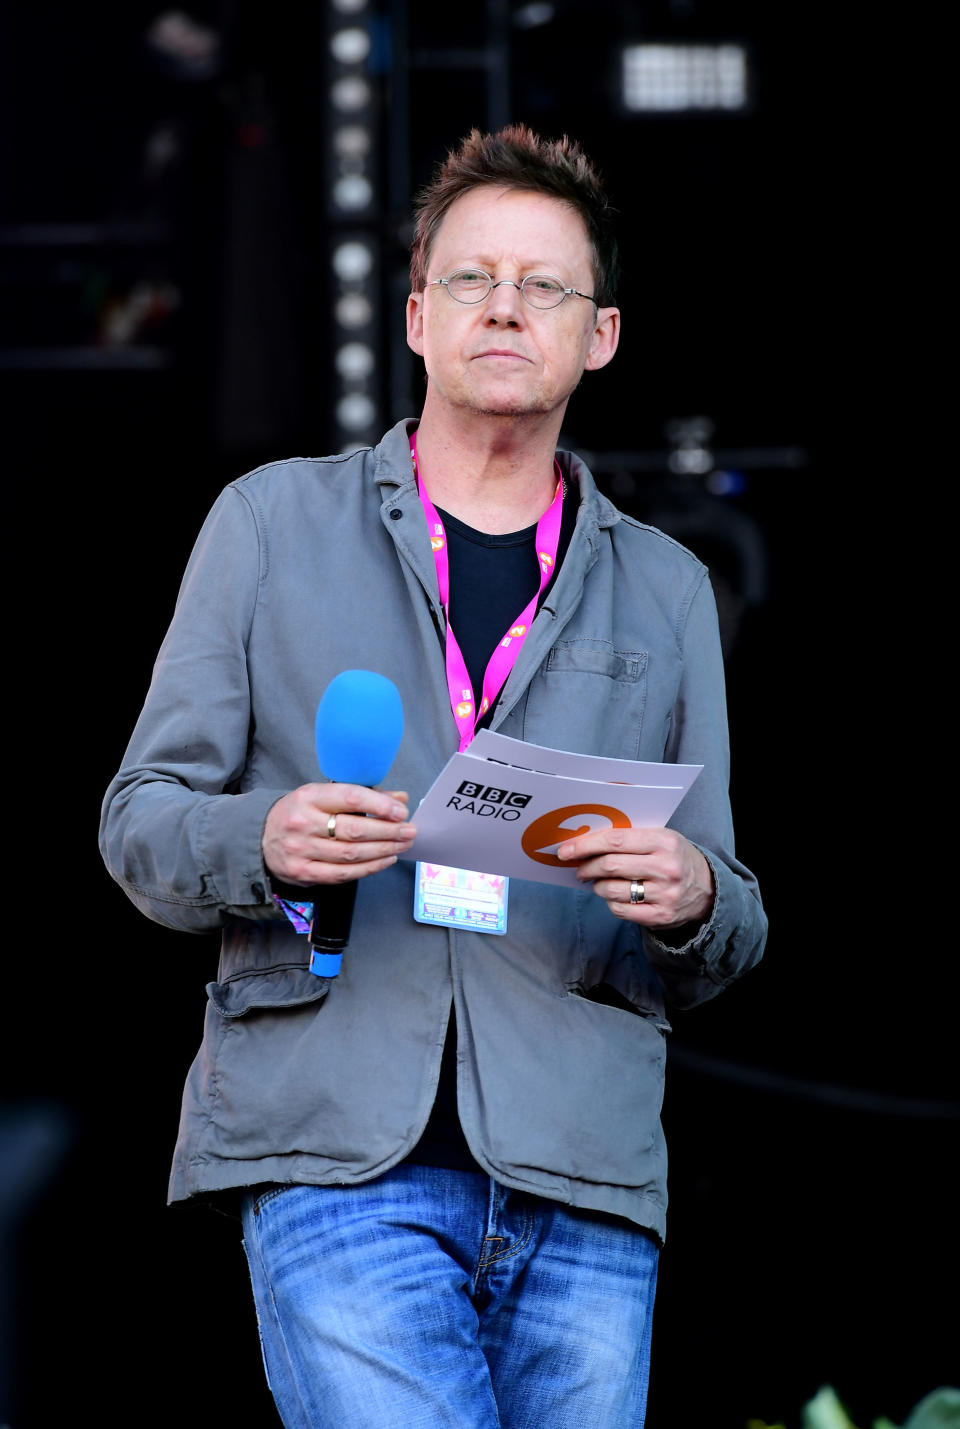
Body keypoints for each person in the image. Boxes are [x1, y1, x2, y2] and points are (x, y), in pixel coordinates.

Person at [99, 124, 767, 1428]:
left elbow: (731, 920)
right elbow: (142, 824)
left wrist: (687, 888)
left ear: (602, 335)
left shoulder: (670, 589)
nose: (505, 306)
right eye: (470, 278)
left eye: (544, 285)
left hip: (583, 1166)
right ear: (415, 316)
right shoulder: (268, 525)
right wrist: (265, 836)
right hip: (337, 1146)